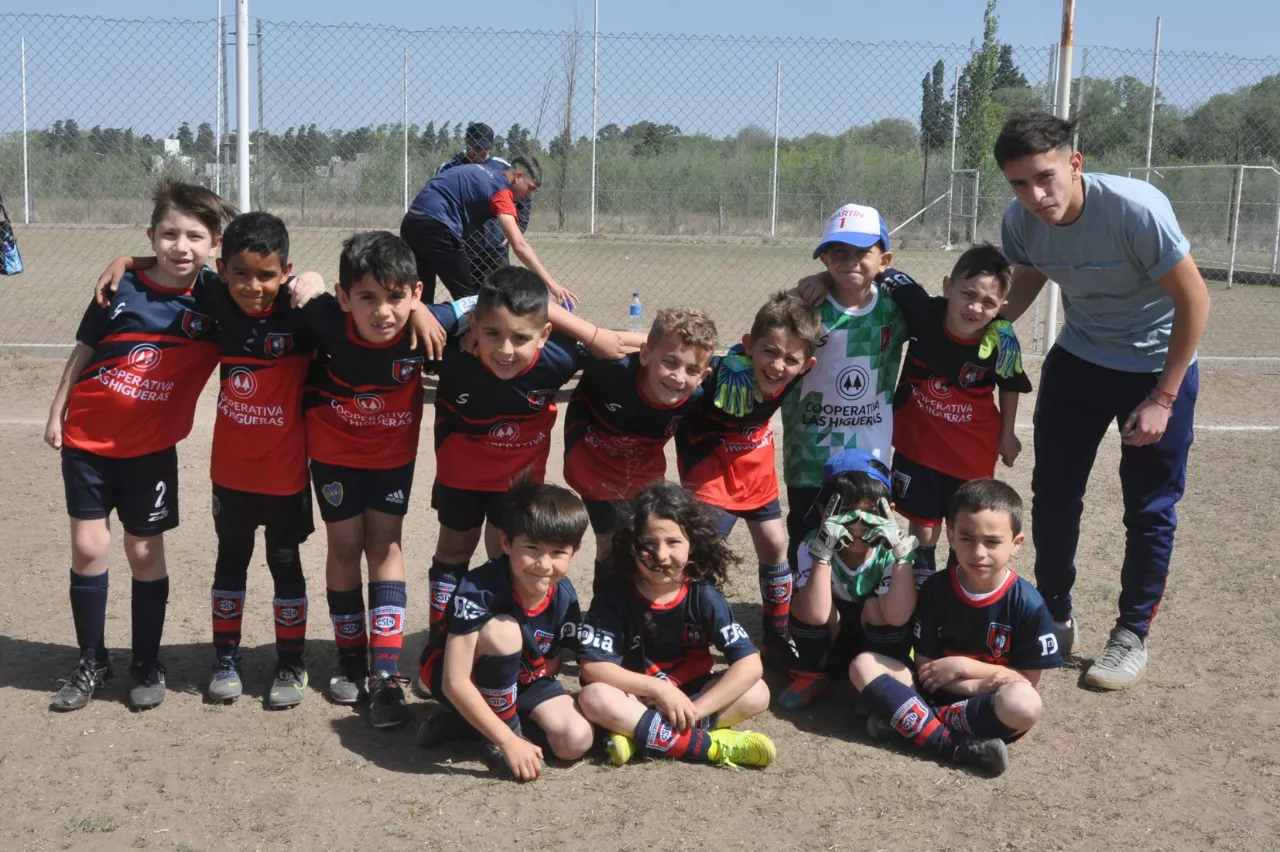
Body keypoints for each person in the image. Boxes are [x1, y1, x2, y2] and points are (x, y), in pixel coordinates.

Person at [993, 112, 1210, 689]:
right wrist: (972, 325)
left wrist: (1164, 397)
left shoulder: (1135, 210)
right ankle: (1056, 614)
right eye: (1019, 184)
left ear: (1074, 163)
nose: (1035, 196)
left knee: (1149, 508)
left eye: (1045, 178)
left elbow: (1195, 302)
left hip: (1155, 370)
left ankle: (1131, 633)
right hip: (1080, 360)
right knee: (1055, 495)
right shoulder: (1021, 219)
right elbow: (1029, 278)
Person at [45, 179, 232, 712]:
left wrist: (307, 278)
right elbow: (85, 349)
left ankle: (146, 661)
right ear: (152, 235)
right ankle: (91, 659)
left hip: (149, 450)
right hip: (87, 439)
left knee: (144, 551)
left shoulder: (215, 301)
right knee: (88, 548)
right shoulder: (118, 287)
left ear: (214, 245)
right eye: (169, 234)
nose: (181, 246)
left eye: (195, 236)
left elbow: (266, 299)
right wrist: (58, 409)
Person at [300, 230, 466, 729]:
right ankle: (350, 655)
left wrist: (423, 309)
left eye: (396, 297)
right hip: (332, 452)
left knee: (386, 545)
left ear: (416, 294)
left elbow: (488, 296)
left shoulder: (428, 322)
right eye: (367, 297)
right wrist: (303, 278)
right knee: (345, 543)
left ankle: (385, 673)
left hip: (392, 455)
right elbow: (276, 287)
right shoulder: (323, 317)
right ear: (343, 296)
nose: (382, 312)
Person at [850, 479, 1063, 776]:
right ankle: (951, 744)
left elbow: (1026, 682)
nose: (978, 552)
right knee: (863, 665)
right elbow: (927, 669)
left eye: (992, 541)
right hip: (935, 690)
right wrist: (993, 676)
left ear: (1016, 544)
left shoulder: (1028, 603)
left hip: (988, 706)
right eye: (966, 538)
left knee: (1025, 705)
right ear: (949, 535)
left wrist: (966, 669)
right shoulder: (937, 589)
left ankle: (915, 723)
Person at [577, 481, 776, 768]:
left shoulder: (703, 594)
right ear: (632, 547)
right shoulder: (614, 594)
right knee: (594, 696)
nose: (661, 555)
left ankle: (640, 735)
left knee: (758, 691)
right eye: (648, 544)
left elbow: (750, 663)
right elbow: (593, 667)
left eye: (673, 542)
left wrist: (694, 710)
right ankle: (711, 747)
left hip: (693, 698)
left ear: (692, 545)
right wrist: (659, 690)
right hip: (635, 697)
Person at [414, 481, 594, 782]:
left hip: (524, 679)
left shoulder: (564, 594)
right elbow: (454, 681)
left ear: (574, 553)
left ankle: (466, 725)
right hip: (460, 677)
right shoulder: (478, 589)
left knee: (575, 740)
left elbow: (554, 662)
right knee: (504, 632)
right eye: (532, 548)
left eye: (557, 552)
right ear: (506, 543)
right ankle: (503, 732)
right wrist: (509, 742)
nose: (543, 564)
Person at [676, 293, 820, 665]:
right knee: (700, 556)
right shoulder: (718, 377)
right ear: (747, 345)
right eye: (768, 352)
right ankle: (686, 635)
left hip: (755, 464)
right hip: (711, 469)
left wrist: (816, 281)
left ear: (807, 365)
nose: (777, 365)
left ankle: (776, 634)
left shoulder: (789, 374)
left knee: (775, 546)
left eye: (791, 359)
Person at [878, 244, 1032, 580]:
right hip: (919, 444)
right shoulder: (922, 309)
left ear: (1001, 308)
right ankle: (921, 587)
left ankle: (958, 590)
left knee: (968, 524)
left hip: (971, 451)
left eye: (988, 302)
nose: (975, 307)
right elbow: (881, 271)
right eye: (967, 294)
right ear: (948, 287)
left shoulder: (1001, 339)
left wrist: (1007, 435)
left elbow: (1009, 384)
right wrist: (821, 276)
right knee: (923, 523)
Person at [785, 204, 908, 586]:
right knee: (806, 538)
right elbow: (768, 339)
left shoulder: (896, 310)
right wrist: (806, 286)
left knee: (867, 537)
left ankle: (866, 612)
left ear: (884, 259)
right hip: (810, 453)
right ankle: (805, 619)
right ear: (823, 256)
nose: (849, 260)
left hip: (868, 454)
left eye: (862, 252)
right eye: (838, 252)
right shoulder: (804, 308)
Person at [563, 306, 716, 592]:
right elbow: (562, 332)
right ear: (645, 355)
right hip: (592, 467)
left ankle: (638, 609)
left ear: (704, 374)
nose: (679, 377)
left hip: (642, 473)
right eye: (670, 362)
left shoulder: (695, 398)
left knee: (645, 542)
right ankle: (606, 613)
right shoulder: (610, 370)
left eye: (692, 369)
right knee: (610, 544)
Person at [781, 449, 918, 710]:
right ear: (824, 510)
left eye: (869, 512)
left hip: (876, 650)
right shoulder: (811, 543)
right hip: (833, 641)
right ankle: (812, 674)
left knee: (876, 608)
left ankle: (878, 682)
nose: (857, 525)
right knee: (801, 603)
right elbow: (816, 613)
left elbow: (898, 616)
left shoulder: (893, 548)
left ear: (889, 511)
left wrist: (902, 557)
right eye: (846, 512)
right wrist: (823, 554)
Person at [399, 152, 576, 306]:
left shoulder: (488, 172)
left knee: (421, 294)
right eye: (530, 188)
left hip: (412, 221)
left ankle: (418, 341)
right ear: (518, 176)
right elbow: (520, 247)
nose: (528, 195)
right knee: (467, 298)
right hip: (438, 227)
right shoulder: (500, 190)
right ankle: (469, 342)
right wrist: (552, 285)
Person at [436, 122, 532, 292]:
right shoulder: (449, 167)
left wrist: (518, 229)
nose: (480, 153)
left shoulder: (502, 166)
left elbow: (523, 199)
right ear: (466, 142)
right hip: (464, 247)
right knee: (468, 297)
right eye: (475, 148)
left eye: (484, 148)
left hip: (495, 248)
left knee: (501, 295)